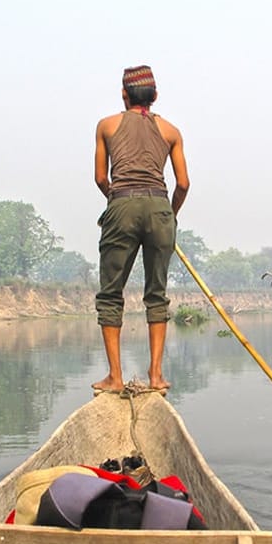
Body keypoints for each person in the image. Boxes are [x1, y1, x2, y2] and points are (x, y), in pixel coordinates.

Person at [92, 65, 190, 395]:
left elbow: (101, 179)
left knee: (110, 294)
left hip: (121, 204)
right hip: (160, 208)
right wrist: (169, 215)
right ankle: (156, 375)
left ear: (124, 94)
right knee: (156, 293)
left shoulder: (106, 126)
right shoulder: (171, 131)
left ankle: (115, 378)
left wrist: (120, 203)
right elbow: (183, 184)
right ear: (155, 96)